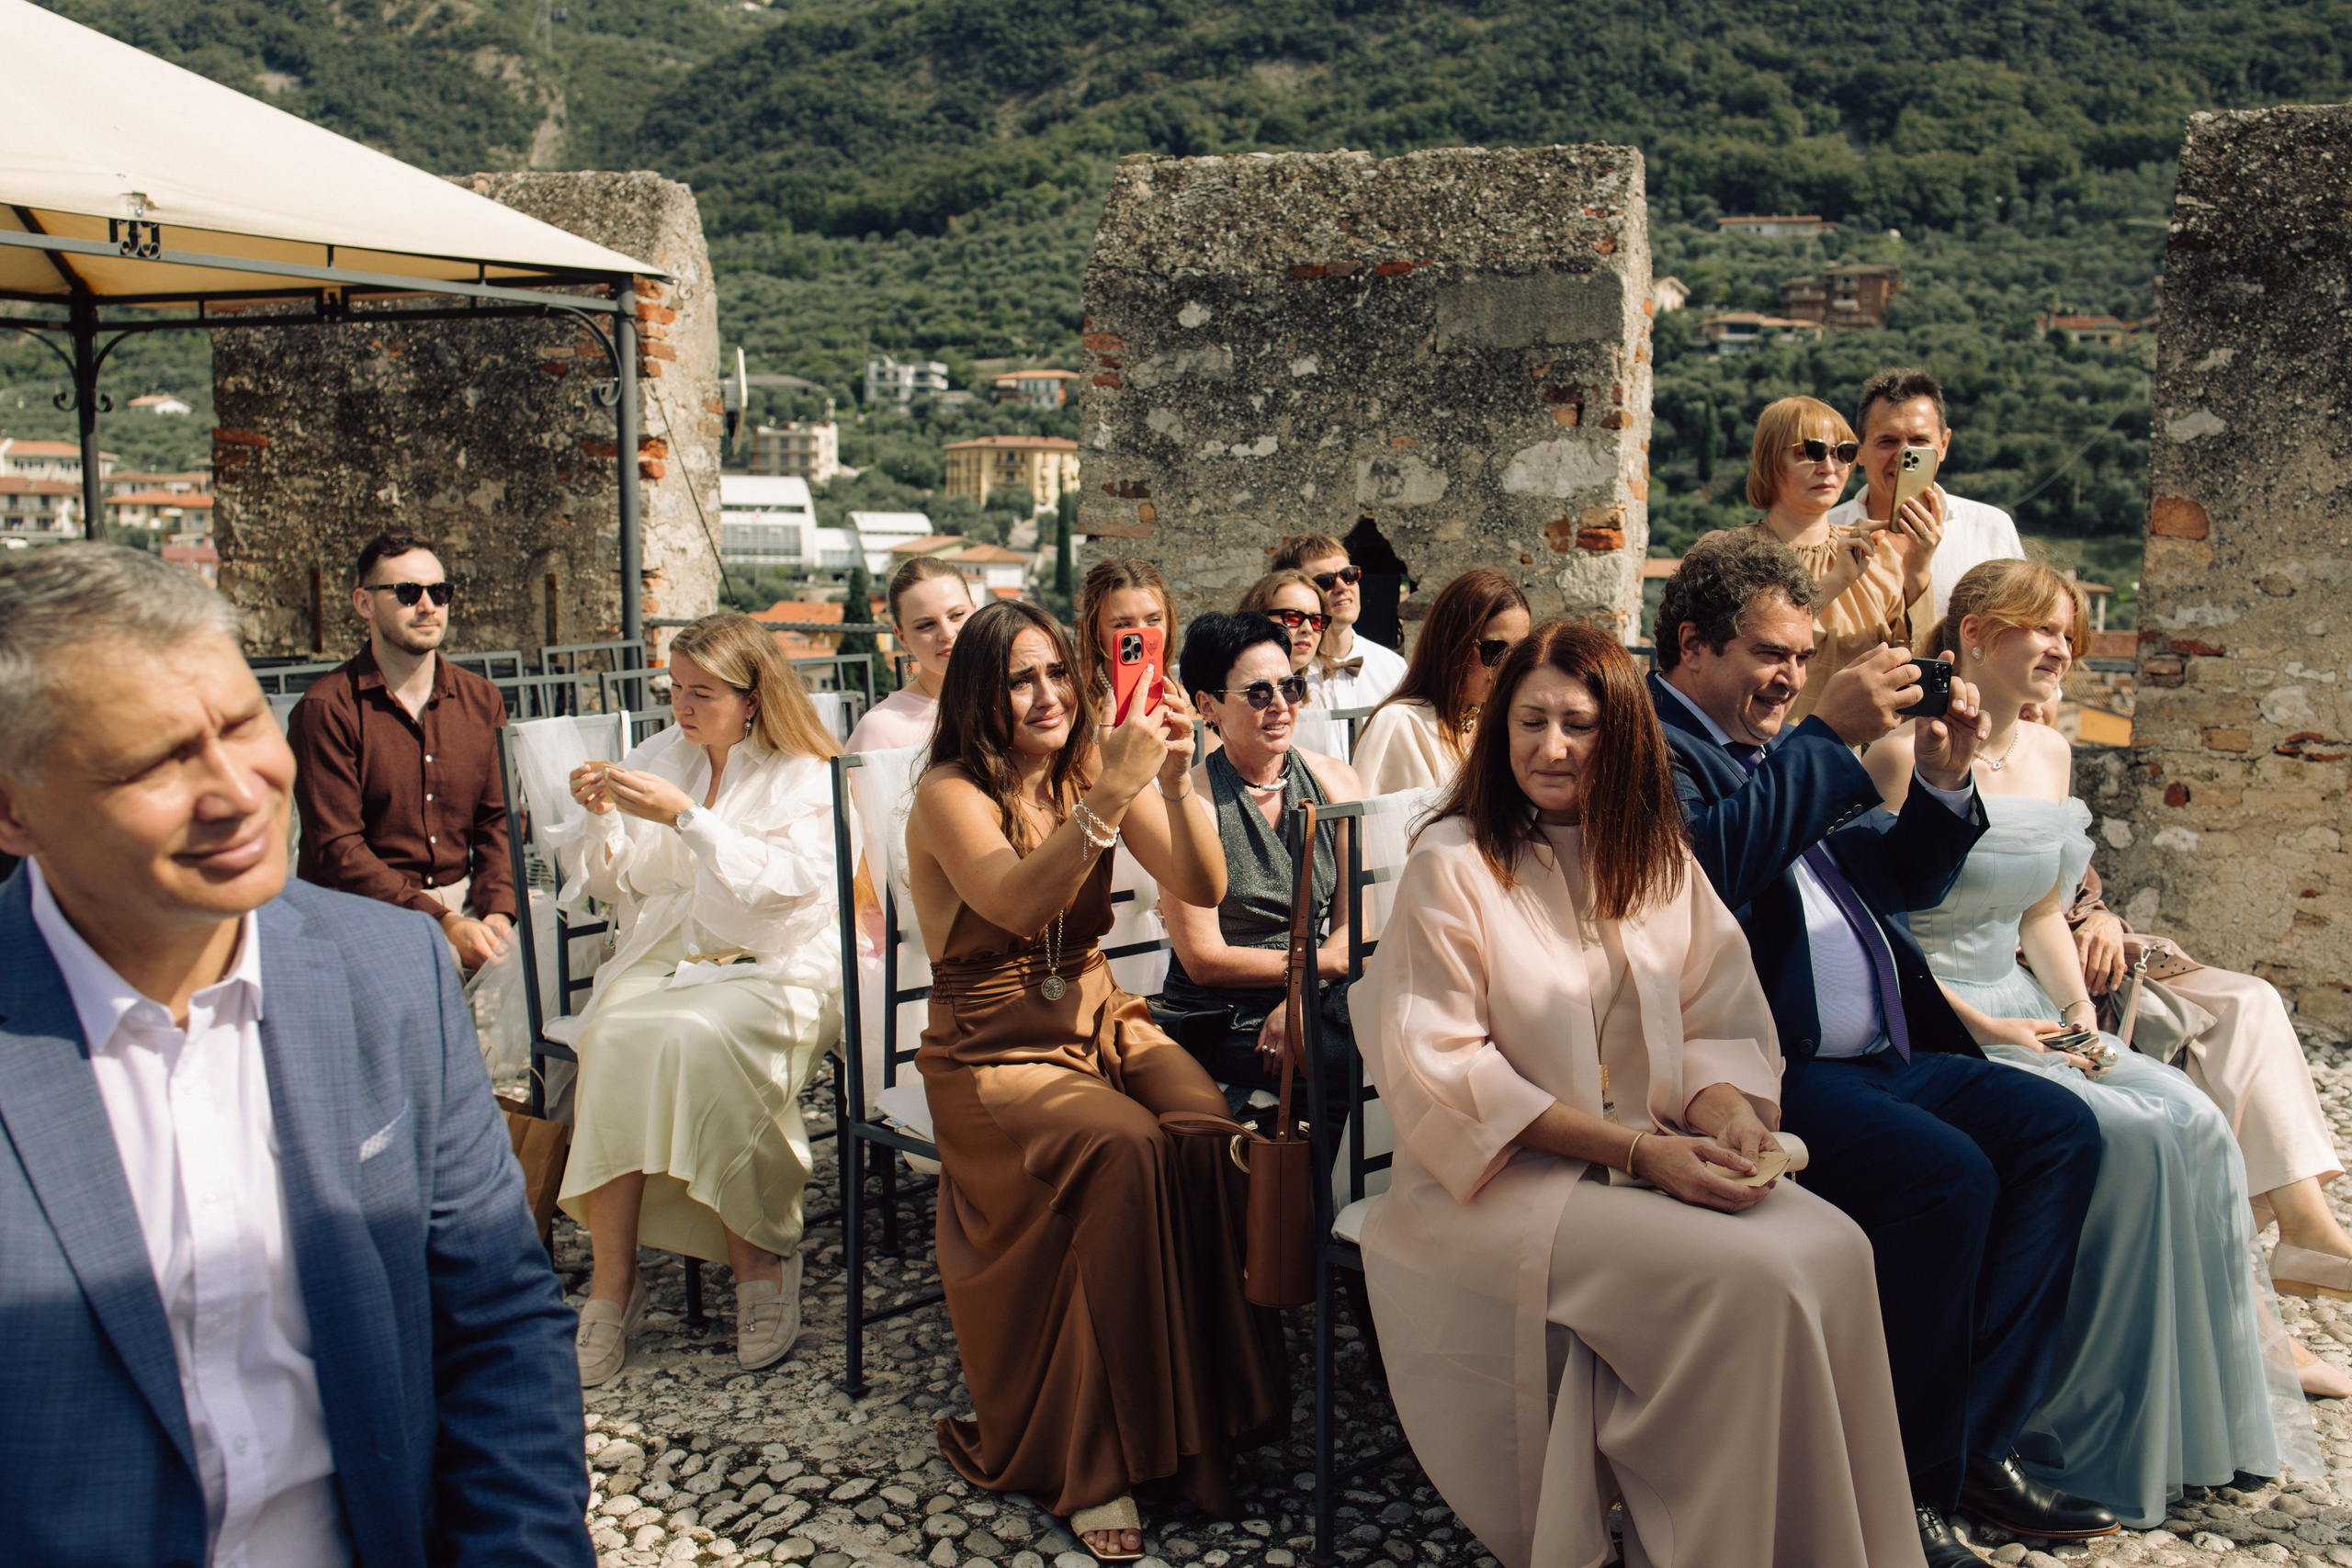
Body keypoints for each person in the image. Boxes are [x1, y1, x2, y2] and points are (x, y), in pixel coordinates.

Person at [0, 543, 589, 1568]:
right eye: (151, 763)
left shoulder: (383, 980)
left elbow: (493, 1318)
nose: (234, 790)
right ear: (14, 809)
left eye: (237, 726)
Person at [1358, 618, 1920, 1568]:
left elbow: (1715, 1018)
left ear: (1618, 736)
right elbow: (1446, 1070)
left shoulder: (1655, 856)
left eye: (1577, 725)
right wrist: (1637, 1153)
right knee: (1755, 1281)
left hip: (1650, 1154)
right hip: (1500, 1183)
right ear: (1499, 734)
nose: (1550, 747)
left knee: (1835, 1248)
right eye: (1529, 722)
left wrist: (1732, 1119)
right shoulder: (1451, 866)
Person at [1648, 531, 2114, 1566]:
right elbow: (1702, 879)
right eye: (1771, 654)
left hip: (1881, 1053)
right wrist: (1822, 735)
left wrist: (1945, 787)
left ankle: (1969, 1449)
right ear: (1691, 644)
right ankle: (1891, 1492)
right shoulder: (1648, 747)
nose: (1788, 676)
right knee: (1944, 1181)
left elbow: (1880, 879)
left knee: (2057, 1132)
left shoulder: (1762, 742)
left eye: (1800, 656)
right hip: (1759, 1070)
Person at [1865, 560, 2300, 1522]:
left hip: (2024, 998)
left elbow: (2040, 917)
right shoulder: (1902, 752)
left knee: (2189, 1121)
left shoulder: (2055, 758)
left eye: (2069, 635)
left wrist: (2080, 1022)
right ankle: (2045, 1422)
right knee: (2128, 1140)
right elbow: (1873, 926)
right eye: (2043, 632)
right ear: (1973, 635)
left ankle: (2178, 1420)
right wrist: (1987, 1024)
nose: (2063, 650)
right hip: (1934, 1013)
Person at [903, 601, 1283, 1561]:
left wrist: (1174, 775)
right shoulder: (950, 792)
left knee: (1207, 1128)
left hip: (1098, 1015)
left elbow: (1203, 887)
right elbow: (1016, 904)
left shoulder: (1089, 766)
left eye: (1057, 674)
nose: (1048, 695)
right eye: (1020, 678)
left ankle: (1199, 1420)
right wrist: (1107, 797)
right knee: (1122, 1151)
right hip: (992, 1047)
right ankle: (1095, 1457)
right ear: (979, 695)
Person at [551, 614, 847, 1384]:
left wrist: (689, 818)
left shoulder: (807, 769)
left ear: (753, 697)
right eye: (675, 690)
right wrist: (602, 816)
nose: (683, 708)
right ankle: (613, 1281)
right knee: (609, 1035)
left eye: (702, 693)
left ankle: (760, 1258)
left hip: (776, 964)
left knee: (694, 1035)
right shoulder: (662, 753)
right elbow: (616, 885)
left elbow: (789, 897)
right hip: (670, 953)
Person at [2064, 863, 2352, 1395]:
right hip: (2021, 974)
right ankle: (2251, 1319)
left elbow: (2074, 879)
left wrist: (2101, 919)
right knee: (2198, 1088)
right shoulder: (1914, 785)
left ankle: (2306, 1227)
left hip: (2089, 959)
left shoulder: (2040, 777)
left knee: (2253, 1001)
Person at [1152, 612, 1362, 1106]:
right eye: (1258, 693)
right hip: (1221, 1012)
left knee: (1418, 1036)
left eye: (1290, 687)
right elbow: (1204, 960)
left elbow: (1357, 921)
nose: (1282, 706)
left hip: (1317, 992)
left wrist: (1302, 993)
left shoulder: (1336, 780)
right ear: (1208, 705)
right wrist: (1319, 968)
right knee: (1355, 1061)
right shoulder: (1189, 803)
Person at [288, 529, 515, 973]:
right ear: (364, 604)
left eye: (440, 592)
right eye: (408, 592)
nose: (428, 606)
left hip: (466, 905)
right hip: (359, 914)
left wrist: (499, 912)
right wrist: (443, 922)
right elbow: (339, 851)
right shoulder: (326, 709)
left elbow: (498, 819)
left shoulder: (481, 700)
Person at [1721, 396, 1940, 726]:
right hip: (1761, 751)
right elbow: (1732, 643)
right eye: (1811, 451)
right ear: (1770, 460)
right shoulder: (1730, 551)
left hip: (1861, 756)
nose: (1829, 466)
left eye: (1844, 453)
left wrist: (1920, 566)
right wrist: (1836, 581)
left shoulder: (1878, 555)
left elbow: (1918, 659)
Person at [1826, 367, 2026, 626]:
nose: (1902, 456)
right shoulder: (1825, 531)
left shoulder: (1990, 528)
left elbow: (2016, 628)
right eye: (1887, 441)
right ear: (1860, 450)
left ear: (1943, 445)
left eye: (1919, 441)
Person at [1351, 568, 1530, 793]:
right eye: (1495, 650)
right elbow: (1376, 824)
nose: (1508, 666)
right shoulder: (1400, 724)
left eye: (1521, 651)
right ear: (1453, 644)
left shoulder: (1502, 722)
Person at [848, 557, 976, 753]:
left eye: (957, 615)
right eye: (925, 625)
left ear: (976, 613)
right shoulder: (880, 729)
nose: (947, 633)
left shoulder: (1014, 700)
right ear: (902, 638)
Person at [1272, 532, 1408, 709]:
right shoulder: (1280, 674)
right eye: (1325, 580)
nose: (1343, 587)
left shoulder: (1393, 667)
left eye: (1349, 574)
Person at [1075, 557, 1180, 707]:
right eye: (1123, 624)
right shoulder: (1075, 710)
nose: (1141, 635)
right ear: (1096, 630)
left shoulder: (1192, 702)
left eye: (1154, 620)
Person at [1234, 569, 1330, 689]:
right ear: (1259, 618)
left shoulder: (1319, 689)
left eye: (1316, 620)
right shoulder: (1235, 690)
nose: (1308, 629)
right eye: (1292, 617)